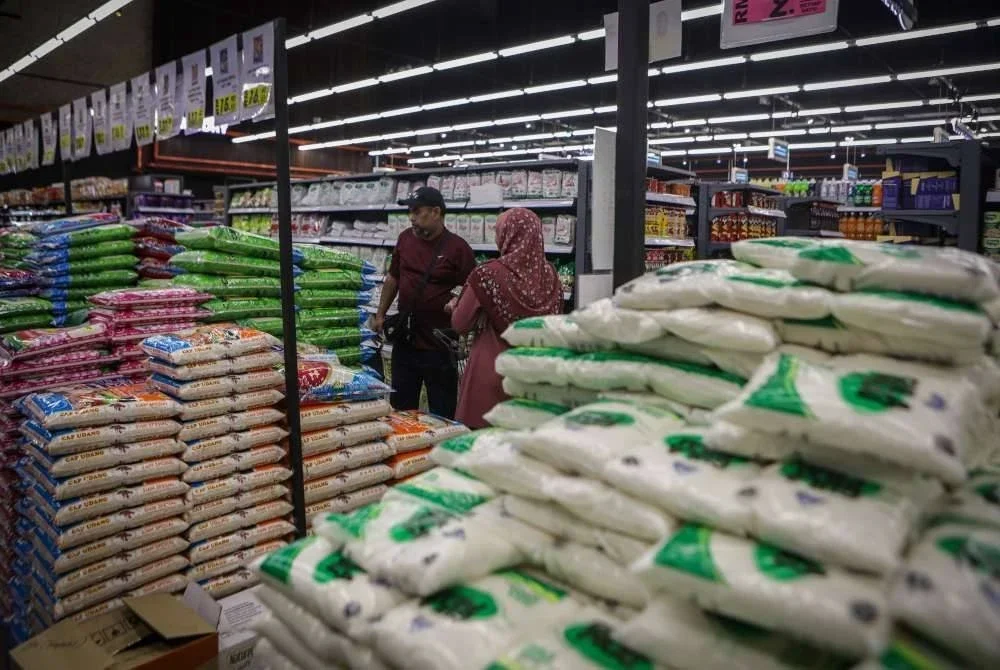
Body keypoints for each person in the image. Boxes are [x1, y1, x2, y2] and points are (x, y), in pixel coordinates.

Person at [450, 207, 564, 428]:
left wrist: (455, 305)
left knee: (483, 451)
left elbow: (459, 324)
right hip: (533, 375)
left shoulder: (488, 275)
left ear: (509, 235)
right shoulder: (551, 275)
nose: (495, 237)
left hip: (492, 372)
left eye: (497, 231)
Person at [374, 186, 475, 419]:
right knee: (400, 409)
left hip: (439, 345)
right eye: (410, 211)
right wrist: (380, 314)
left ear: (436, 212)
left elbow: (470, 292)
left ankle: (438, 452)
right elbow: (393, 277)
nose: (412, 217)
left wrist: (461, 316)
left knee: (442, 410)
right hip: (405, 341)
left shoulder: (458, 249)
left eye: (417, 211)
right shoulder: (405, 239)